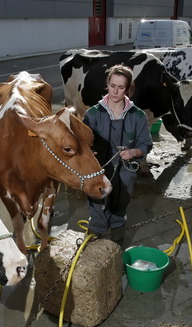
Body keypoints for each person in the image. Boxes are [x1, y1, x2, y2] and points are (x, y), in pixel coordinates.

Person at [83, 65, 152, 245]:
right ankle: (92, 243)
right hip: (98, 172)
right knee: (97, 210)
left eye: (121, 87)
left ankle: (116, 248)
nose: (115, 91)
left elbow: (145, 144)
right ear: (107, 84)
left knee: (118, 211)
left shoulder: (137, 116)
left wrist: (134, 152)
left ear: (128, 89)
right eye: (112, 85)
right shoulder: (92, 114)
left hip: (124, 173)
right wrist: (89, 153)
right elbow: (82, 145)